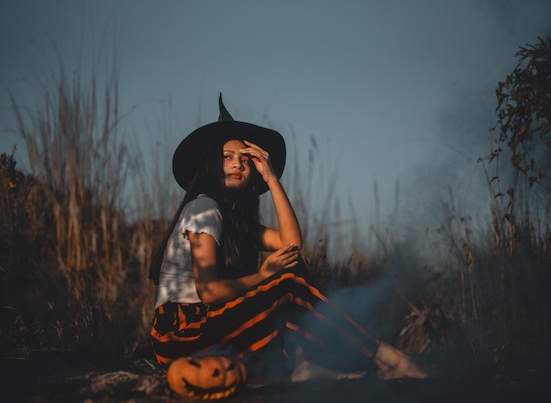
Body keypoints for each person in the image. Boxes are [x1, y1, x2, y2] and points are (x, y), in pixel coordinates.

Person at [149, 94, 428, 382]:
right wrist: (263, 275)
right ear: (210, 164)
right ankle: (383, 357)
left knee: (293, 264)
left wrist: (271, 178)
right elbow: (209, 292)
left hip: (213, 326)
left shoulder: (235, 222)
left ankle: (305, 367)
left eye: (246, 159)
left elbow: (291, 244)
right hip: (182, 332)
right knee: (289, 285)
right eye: (227, 157)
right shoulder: (204, 207)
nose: (238, 165)